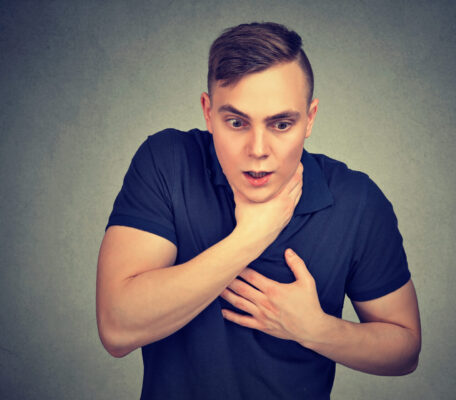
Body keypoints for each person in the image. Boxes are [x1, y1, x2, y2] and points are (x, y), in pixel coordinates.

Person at [96, 22, 421, 400]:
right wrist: (251, 237)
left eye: (281, 124)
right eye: (236, 122)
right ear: (208, 111)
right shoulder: (168, 162)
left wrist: (316, 329)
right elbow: (117, 329)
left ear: (310, 118)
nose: (258, 149)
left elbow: (405, 349)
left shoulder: (357, 200)